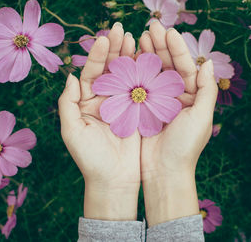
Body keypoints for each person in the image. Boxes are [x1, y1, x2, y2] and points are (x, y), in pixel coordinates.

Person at [58, 20, 218, 241]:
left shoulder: (149, 97)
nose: (139, 94)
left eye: (140, 94)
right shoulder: (130, 95)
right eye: (138, 93)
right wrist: (172, 175)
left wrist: (111, 186)